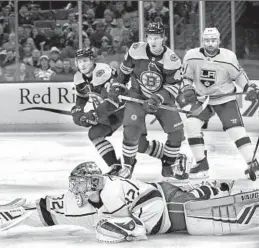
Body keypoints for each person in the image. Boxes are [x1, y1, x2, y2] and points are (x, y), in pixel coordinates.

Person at [0, 161, 259, 243]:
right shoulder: (87, 198)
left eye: (79, 185)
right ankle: (207, 186)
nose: (74, 190)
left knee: (190, 204)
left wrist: (134, 227)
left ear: (94, 183)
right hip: (152, 193)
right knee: (182, 193)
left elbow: (152, 209)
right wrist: (16, 214)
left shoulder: (113, 193)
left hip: (162, 200)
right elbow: (50, 209)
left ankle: (214, 187)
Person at [71, 48, 186, 181]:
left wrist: (95, 115)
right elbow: (82, 97)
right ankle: (116, 167)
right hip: (109, 114)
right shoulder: (78, 77)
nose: (82, 65)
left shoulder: (103, 73)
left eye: (85, 61)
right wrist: (78, 112)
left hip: (126, 109)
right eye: (79, 62)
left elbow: (115, 101)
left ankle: (173, 157)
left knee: (138, 144)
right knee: (96, 134)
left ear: (92, 61)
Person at [178, 27, 259, 182]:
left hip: (225, 98)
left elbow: (239, 76)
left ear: (219, 41)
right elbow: (186, 77)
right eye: (207, 40)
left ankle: (252, 163)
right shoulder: (191, 56)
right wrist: (187, 88)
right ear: (202, 41)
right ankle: (202, 164)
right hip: (203, 99)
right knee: (191, 125)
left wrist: (248, 88)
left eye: (213, 40)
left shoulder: (228, 57)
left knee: (235, 130)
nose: (210, 44)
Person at [109, 21, 186, 180]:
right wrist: (118, 85)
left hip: (161, 99)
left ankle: (169, 162)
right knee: (131, 130)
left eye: (157, 37)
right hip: (137, 95)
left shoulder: (172, 59)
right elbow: (124, 72)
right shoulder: (136, 50)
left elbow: (173, 87)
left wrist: (158, 98)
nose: (153, 41)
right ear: (146, 38)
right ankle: (128, 166)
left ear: (164, 38)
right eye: (150, 37)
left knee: (177, 134)